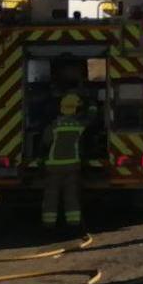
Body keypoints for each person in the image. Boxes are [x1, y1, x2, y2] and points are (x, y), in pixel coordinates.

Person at [41, 93, 92, 231]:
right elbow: (89, 128)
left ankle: (48, 224)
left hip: (53, 168)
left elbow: (46, 141)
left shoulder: (54, 125)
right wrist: (92, 109)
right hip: (72, 167)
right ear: (76, 109)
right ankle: (74, 224)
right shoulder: (78, 126)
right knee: (71, 196)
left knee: (51, 196)